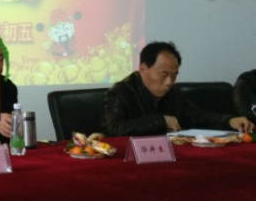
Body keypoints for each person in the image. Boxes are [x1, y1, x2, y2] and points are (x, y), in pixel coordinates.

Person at [102, 41, 254, 137]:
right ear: (143, 69)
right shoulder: (121, 92)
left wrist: (229, 121)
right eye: (163, 75)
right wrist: (161, 121)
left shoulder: (172, 93)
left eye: (174, 76)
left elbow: (197, 117)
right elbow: (114, 128)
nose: (169, 82)